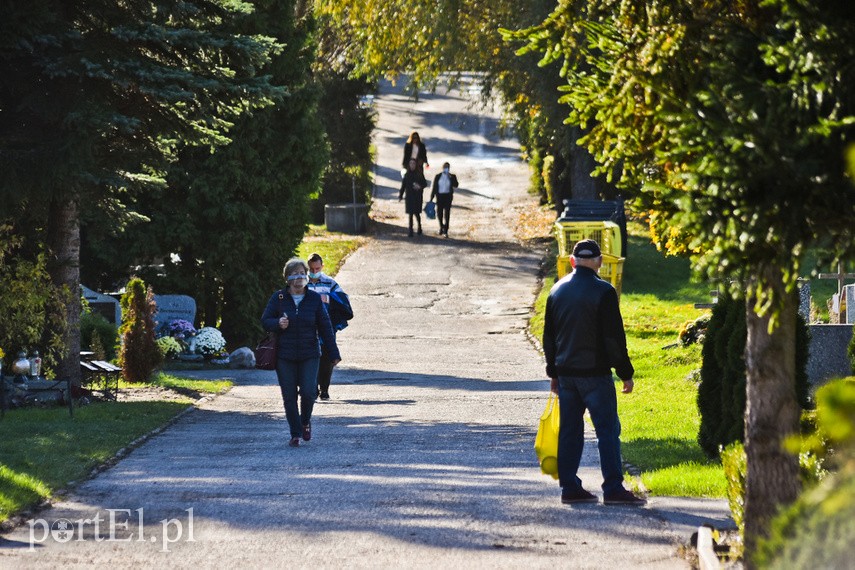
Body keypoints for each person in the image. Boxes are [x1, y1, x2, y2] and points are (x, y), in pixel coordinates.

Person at [542, 239, 646, 505]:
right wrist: (625, 372)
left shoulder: (556, 290)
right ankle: (613, 488)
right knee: (607, 431)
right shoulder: (604, 291)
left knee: (570, 432)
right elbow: (614, 338)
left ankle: (569, 487)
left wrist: (554, 372)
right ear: (599, 262)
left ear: (572, 261)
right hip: (596, 374)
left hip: (567, 375)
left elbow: (549, 338)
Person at [261, 258, 341, 447]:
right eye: (294, 274)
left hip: (309, 353)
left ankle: (305, 421)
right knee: (289, 396)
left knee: (308, 392)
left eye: (302, 273)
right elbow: (265, 320)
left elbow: (325, 326)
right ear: (287, 278)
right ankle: (295, 433)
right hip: (285, 355)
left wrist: (333, 352)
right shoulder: (279, 298)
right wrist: (278, 323)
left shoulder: (314, 298)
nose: (299, 277)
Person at [307, 252, 353, 400]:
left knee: (327, 358)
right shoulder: (302, 283)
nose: (314, 272)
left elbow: (343, 300)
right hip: (307, 326)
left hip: (327, 326)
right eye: (311, 269)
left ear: (322, 266)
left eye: (317, 269)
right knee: (310, 357)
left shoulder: (330, 283)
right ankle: (312, 387)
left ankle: (324, 388)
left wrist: (328, 298)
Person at [429, 161, 459, 236]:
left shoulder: (452, 176)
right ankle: (441, 226)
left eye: (447, 167)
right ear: (442, 168)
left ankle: (446, 229)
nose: (446, 169)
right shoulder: (438, 176)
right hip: (440, 196)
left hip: (448, 197)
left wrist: (450, 177)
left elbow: (456, 185)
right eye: (445, 167)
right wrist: (432, 197)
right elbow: (435, 187)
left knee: (447, 213)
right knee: (439, 213)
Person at [399, 158, 427, 237]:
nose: (412, 165)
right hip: (409, 197)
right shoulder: (407, 175)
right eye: (411, 163)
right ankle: (410, 230)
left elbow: (424, 183)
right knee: (410, 214)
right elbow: (403, 186)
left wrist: (419, 186)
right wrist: (401, 195)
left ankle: (419, 227)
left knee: (417, 213)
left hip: (417, 196)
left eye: (413, 163)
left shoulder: (419, 174)